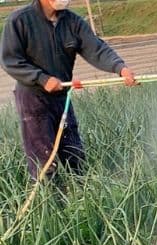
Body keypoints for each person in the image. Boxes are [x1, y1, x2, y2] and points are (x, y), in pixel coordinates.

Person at [0, 0, 136, 180]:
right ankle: (49, 201)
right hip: (33, 100)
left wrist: (120, 68)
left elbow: (96, 48)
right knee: (44, 158)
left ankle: (80, 194)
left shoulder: (72, 22)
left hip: (62, 97)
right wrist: (41, 78)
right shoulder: (20, 20)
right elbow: (10, 60)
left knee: (73, 151)